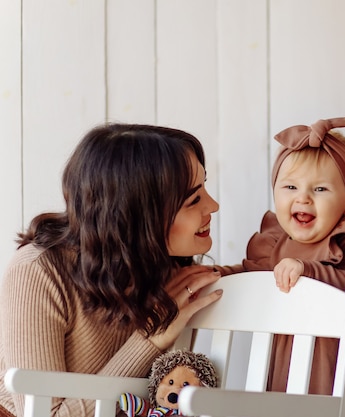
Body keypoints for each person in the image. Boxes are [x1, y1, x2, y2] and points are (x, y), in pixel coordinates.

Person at [0, 123, 223, 417]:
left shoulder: (167, 268)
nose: (214, 206)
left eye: (204, 188)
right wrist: (149, 339)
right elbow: (45, 415)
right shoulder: (39, 270)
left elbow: (247, 273)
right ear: (137, 215)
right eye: (194, 199)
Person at [216, 117, 345, 417]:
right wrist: (215, 275)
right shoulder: (274, 242)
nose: (302, 197)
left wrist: (309, 271)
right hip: (290, 363)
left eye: (320, 189)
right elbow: (250, 275)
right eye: (290, 186)